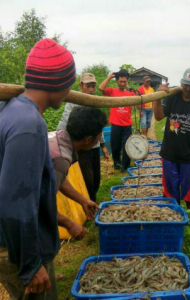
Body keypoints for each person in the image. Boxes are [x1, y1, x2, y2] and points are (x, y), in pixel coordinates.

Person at [0, 38, 76, 299]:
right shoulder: (29, 124)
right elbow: (16, 203)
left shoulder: (11, 109)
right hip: (17, 249)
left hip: (16, 244)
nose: (70, 90)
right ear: (57, 84)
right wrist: (31, 265)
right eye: (69, 82)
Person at [153, 67, 190, 206]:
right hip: (169, 153)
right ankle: (174, 214)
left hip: (189, 155)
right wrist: (157, 97)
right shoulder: (173, 97)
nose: (187, 89)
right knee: (170, 191)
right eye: (185, 85)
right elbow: (158, 116)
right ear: (181, 83)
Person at [57, 73, 109, 201]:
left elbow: (99, 127)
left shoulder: (95, 101)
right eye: (88, 86)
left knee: (96, 178)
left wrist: (103, 145)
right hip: (82, 148)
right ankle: (88, 203)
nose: (91, 89)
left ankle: (93, 200)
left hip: (94, 146)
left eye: (93, 86)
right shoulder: (73, 102)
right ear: (81, 85)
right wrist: (60, 144)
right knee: (87, 179)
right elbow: (63, 124)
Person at [49, 107, 107, 223]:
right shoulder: (61, 159)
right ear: (89, 139)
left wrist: (83, 201)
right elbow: (42, 204)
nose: (98, 140)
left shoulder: (58, 135)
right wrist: (69, 224)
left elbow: (60, 179)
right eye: (99, 136)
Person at [99, 69, 135, 171]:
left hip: (127, 125)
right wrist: (109, 77)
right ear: (117, 81)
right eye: (120, 81)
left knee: (126, 146)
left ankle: (125, 166)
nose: (123, 83)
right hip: (115, 124)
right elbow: (101, 88)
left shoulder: (131, 92)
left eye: (125, 81)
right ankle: (117, 164)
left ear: (127, 81)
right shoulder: (113, 91)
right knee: (115, 146)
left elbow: (139, 102)